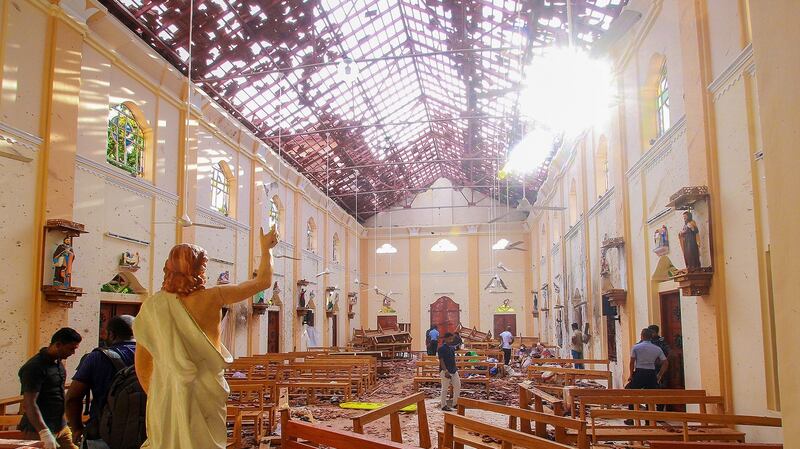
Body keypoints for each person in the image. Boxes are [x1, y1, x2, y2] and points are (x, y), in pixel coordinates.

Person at [134, 226, 278, 449]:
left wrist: (160, 394)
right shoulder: (214, 296)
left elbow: (142, 362)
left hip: (167, 392)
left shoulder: (153, 306)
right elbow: (262, 283)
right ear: (198, 269)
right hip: (206, 389)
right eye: (203, 267)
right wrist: (266, 249)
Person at [66, 315, 137, 446]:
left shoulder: (97, 357)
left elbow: (72, 398)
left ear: (111, 334)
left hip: (102, 434)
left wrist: (77, 428)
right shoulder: (153, 356)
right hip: (144, 435)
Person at [18, 327, 82, 449]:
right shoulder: (34, 367)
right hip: (38, 430)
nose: (73, 353)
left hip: (60, 426)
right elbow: (29, 403)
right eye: (71, 349)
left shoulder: (58, 362)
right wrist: (44, 433)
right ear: (58, 345)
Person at [625, 328, 669, 424]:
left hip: (639, 372)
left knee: (632, 394)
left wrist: (631, 375)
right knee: (650, 396)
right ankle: (648, 420)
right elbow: (665, 363)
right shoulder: (657, 349)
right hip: (651, 373)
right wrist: (659, 375)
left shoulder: (636, 347)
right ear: (651, 337)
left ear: (641, 336)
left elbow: (632, 362)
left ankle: (631, 418)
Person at [437, 333, 460, 411]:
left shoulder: (452, 348)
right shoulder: (441, 348)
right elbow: (441, 360)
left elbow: (453, 359)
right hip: (445, 371)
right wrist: (445, 371)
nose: (451, 340)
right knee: (445, 388)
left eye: (452, 339)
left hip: (453, 370)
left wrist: (455, 369)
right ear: (445, 339)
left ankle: (455, 403)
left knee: (458, 386)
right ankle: (443, 405)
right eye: (450, 339)